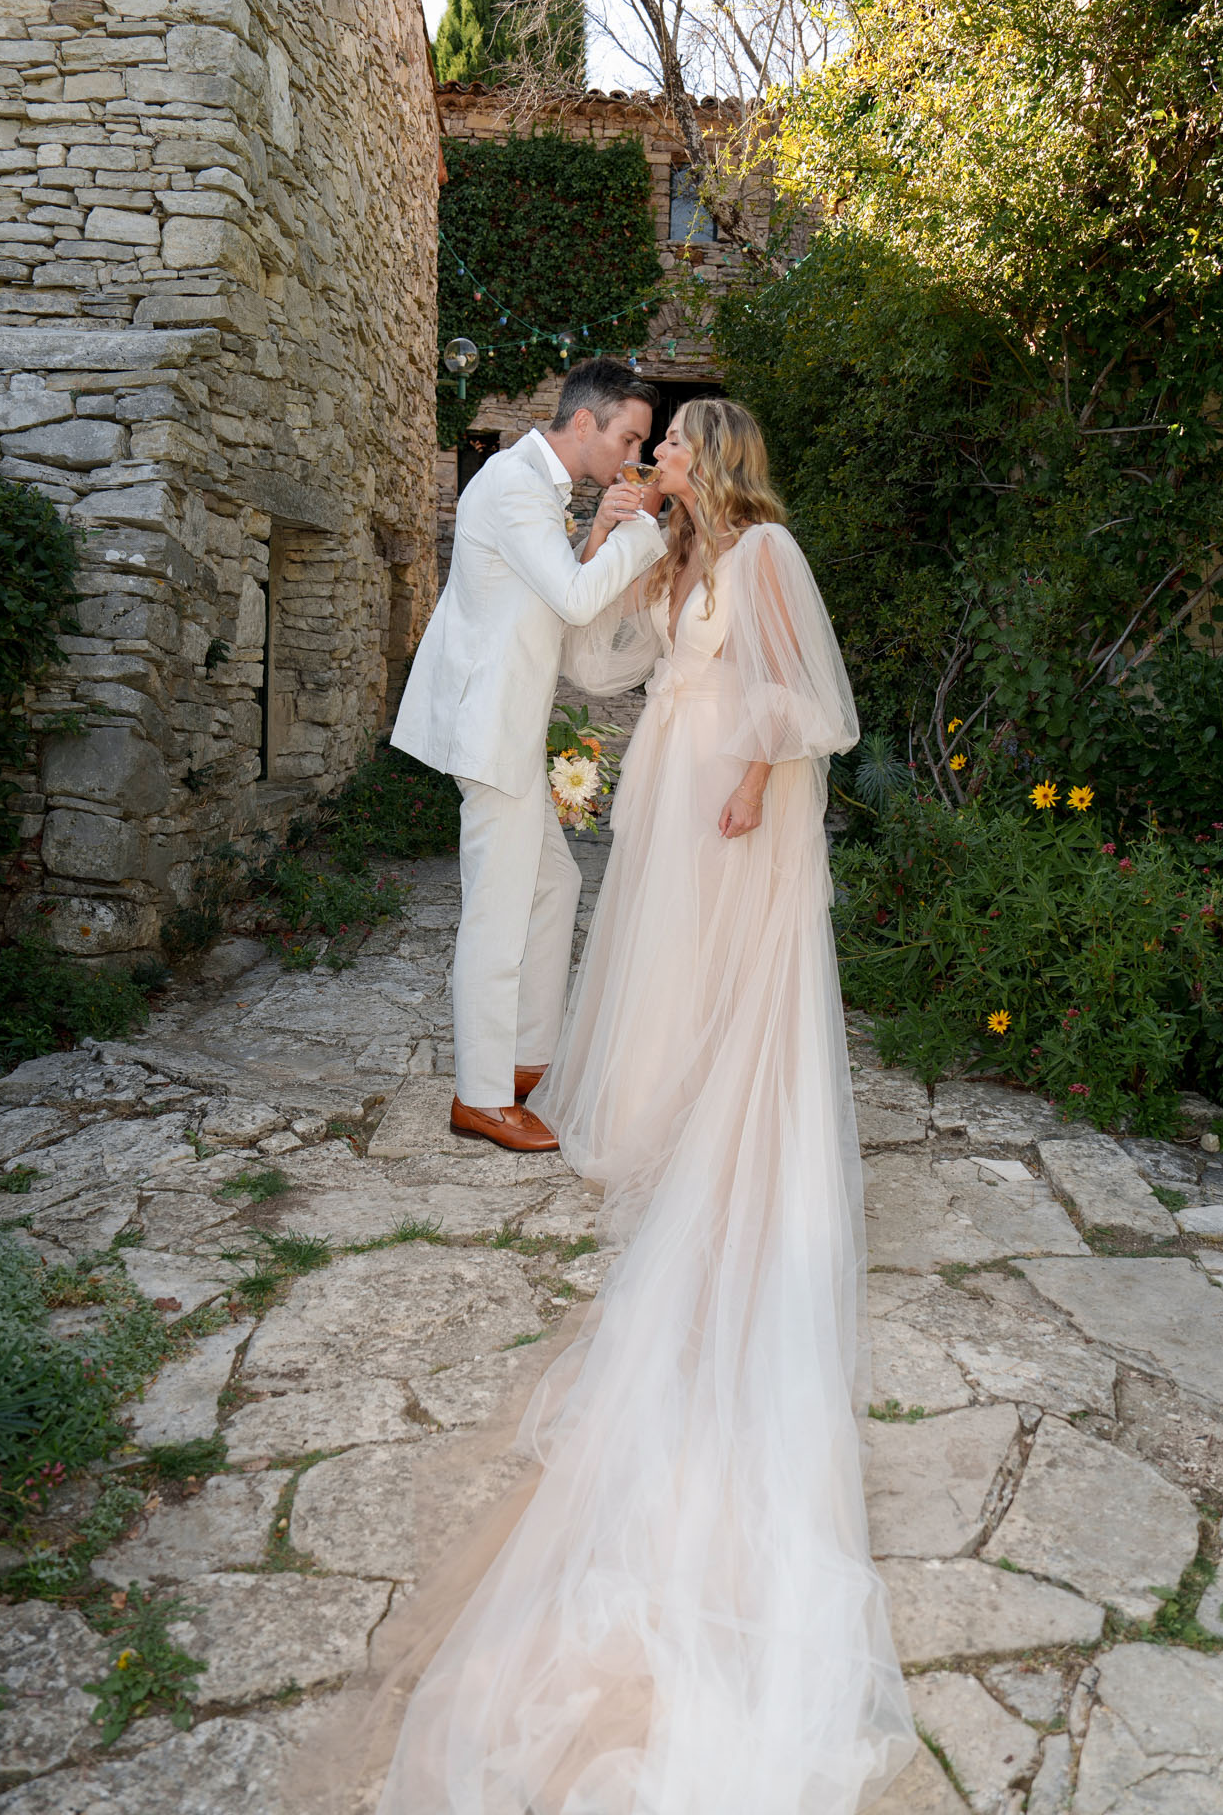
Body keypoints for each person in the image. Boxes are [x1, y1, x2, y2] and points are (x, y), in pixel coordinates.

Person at [376, 398, 915, 1814]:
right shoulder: (677, 560)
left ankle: (670, 1097)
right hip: (662, 785)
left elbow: (810, 702)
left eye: (668, 445)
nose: (652, 455)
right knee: (647, 957)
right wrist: (620, 571)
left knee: (709, 963)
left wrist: (742, 775)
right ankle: (608, 1091)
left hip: (729, 797)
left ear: (712, 460)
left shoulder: (764, 556)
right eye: (643, 440)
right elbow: (610, 659)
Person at [389, 358, 666, 1154]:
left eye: (641, 446)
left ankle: (524, 1059)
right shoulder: (513, 483)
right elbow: (577, 599)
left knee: (557, 880)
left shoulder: (535, 487)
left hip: (502, 726)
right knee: (497, 914)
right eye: (627, 439)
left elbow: (554, 583)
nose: (631, 458)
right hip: (490, 730)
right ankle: (480, 1095)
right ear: (584, 423)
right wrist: (643, 528)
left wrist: (601, 530)